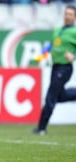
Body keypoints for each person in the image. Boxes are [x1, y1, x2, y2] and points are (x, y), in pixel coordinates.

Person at [32, 5, 76, 135]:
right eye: (66, 13)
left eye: (70, 14)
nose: (67, 16)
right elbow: (52, 44)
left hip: (65, 67)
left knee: (51, 96)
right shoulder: (58, 30)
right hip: (55, 66)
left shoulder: (74, 32)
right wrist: (43, 53)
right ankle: (41, 127)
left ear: (74, 17)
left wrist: (74, 56)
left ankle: (41, 128)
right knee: (57, 95)